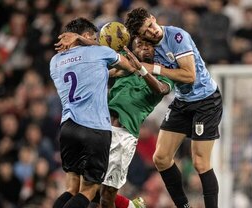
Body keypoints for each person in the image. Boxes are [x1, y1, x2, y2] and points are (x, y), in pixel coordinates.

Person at [54, 34, 174, 208]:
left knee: (106, 196)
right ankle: (130, 206)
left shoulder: (162, 74)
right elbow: (100, 53)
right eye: (139, 44)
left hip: (123, 135)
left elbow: (161, 89)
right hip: (99, 129)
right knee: (85, 188)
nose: (143, 47)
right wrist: (80, 40)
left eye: (148, 44)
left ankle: (130, 206)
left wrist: (141, 69)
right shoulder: (125, 67)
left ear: (156, 50)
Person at [125, 8, 223, 208]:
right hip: (183, 101)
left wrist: (152, 69)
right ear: (140, 36)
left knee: (200, 162)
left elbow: (190, 76)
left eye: (151, 25)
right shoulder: (147, 48)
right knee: (160, 158)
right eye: (146, 32)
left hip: (206, 101)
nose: (152, 31)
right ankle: (183, 206)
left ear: (153, 18)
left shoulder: (177, 36)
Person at [50, 17, 142, 208]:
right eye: (93, 37)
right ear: (83, 37)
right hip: (95, 130)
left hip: (68, 127)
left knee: (71, 189)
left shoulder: (55, 61)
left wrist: (80, 40)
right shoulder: (99, 53)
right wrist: (88, 43)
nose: (96, 41)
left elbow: (92, 74)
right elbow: (131, 67)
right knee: (90, 191)